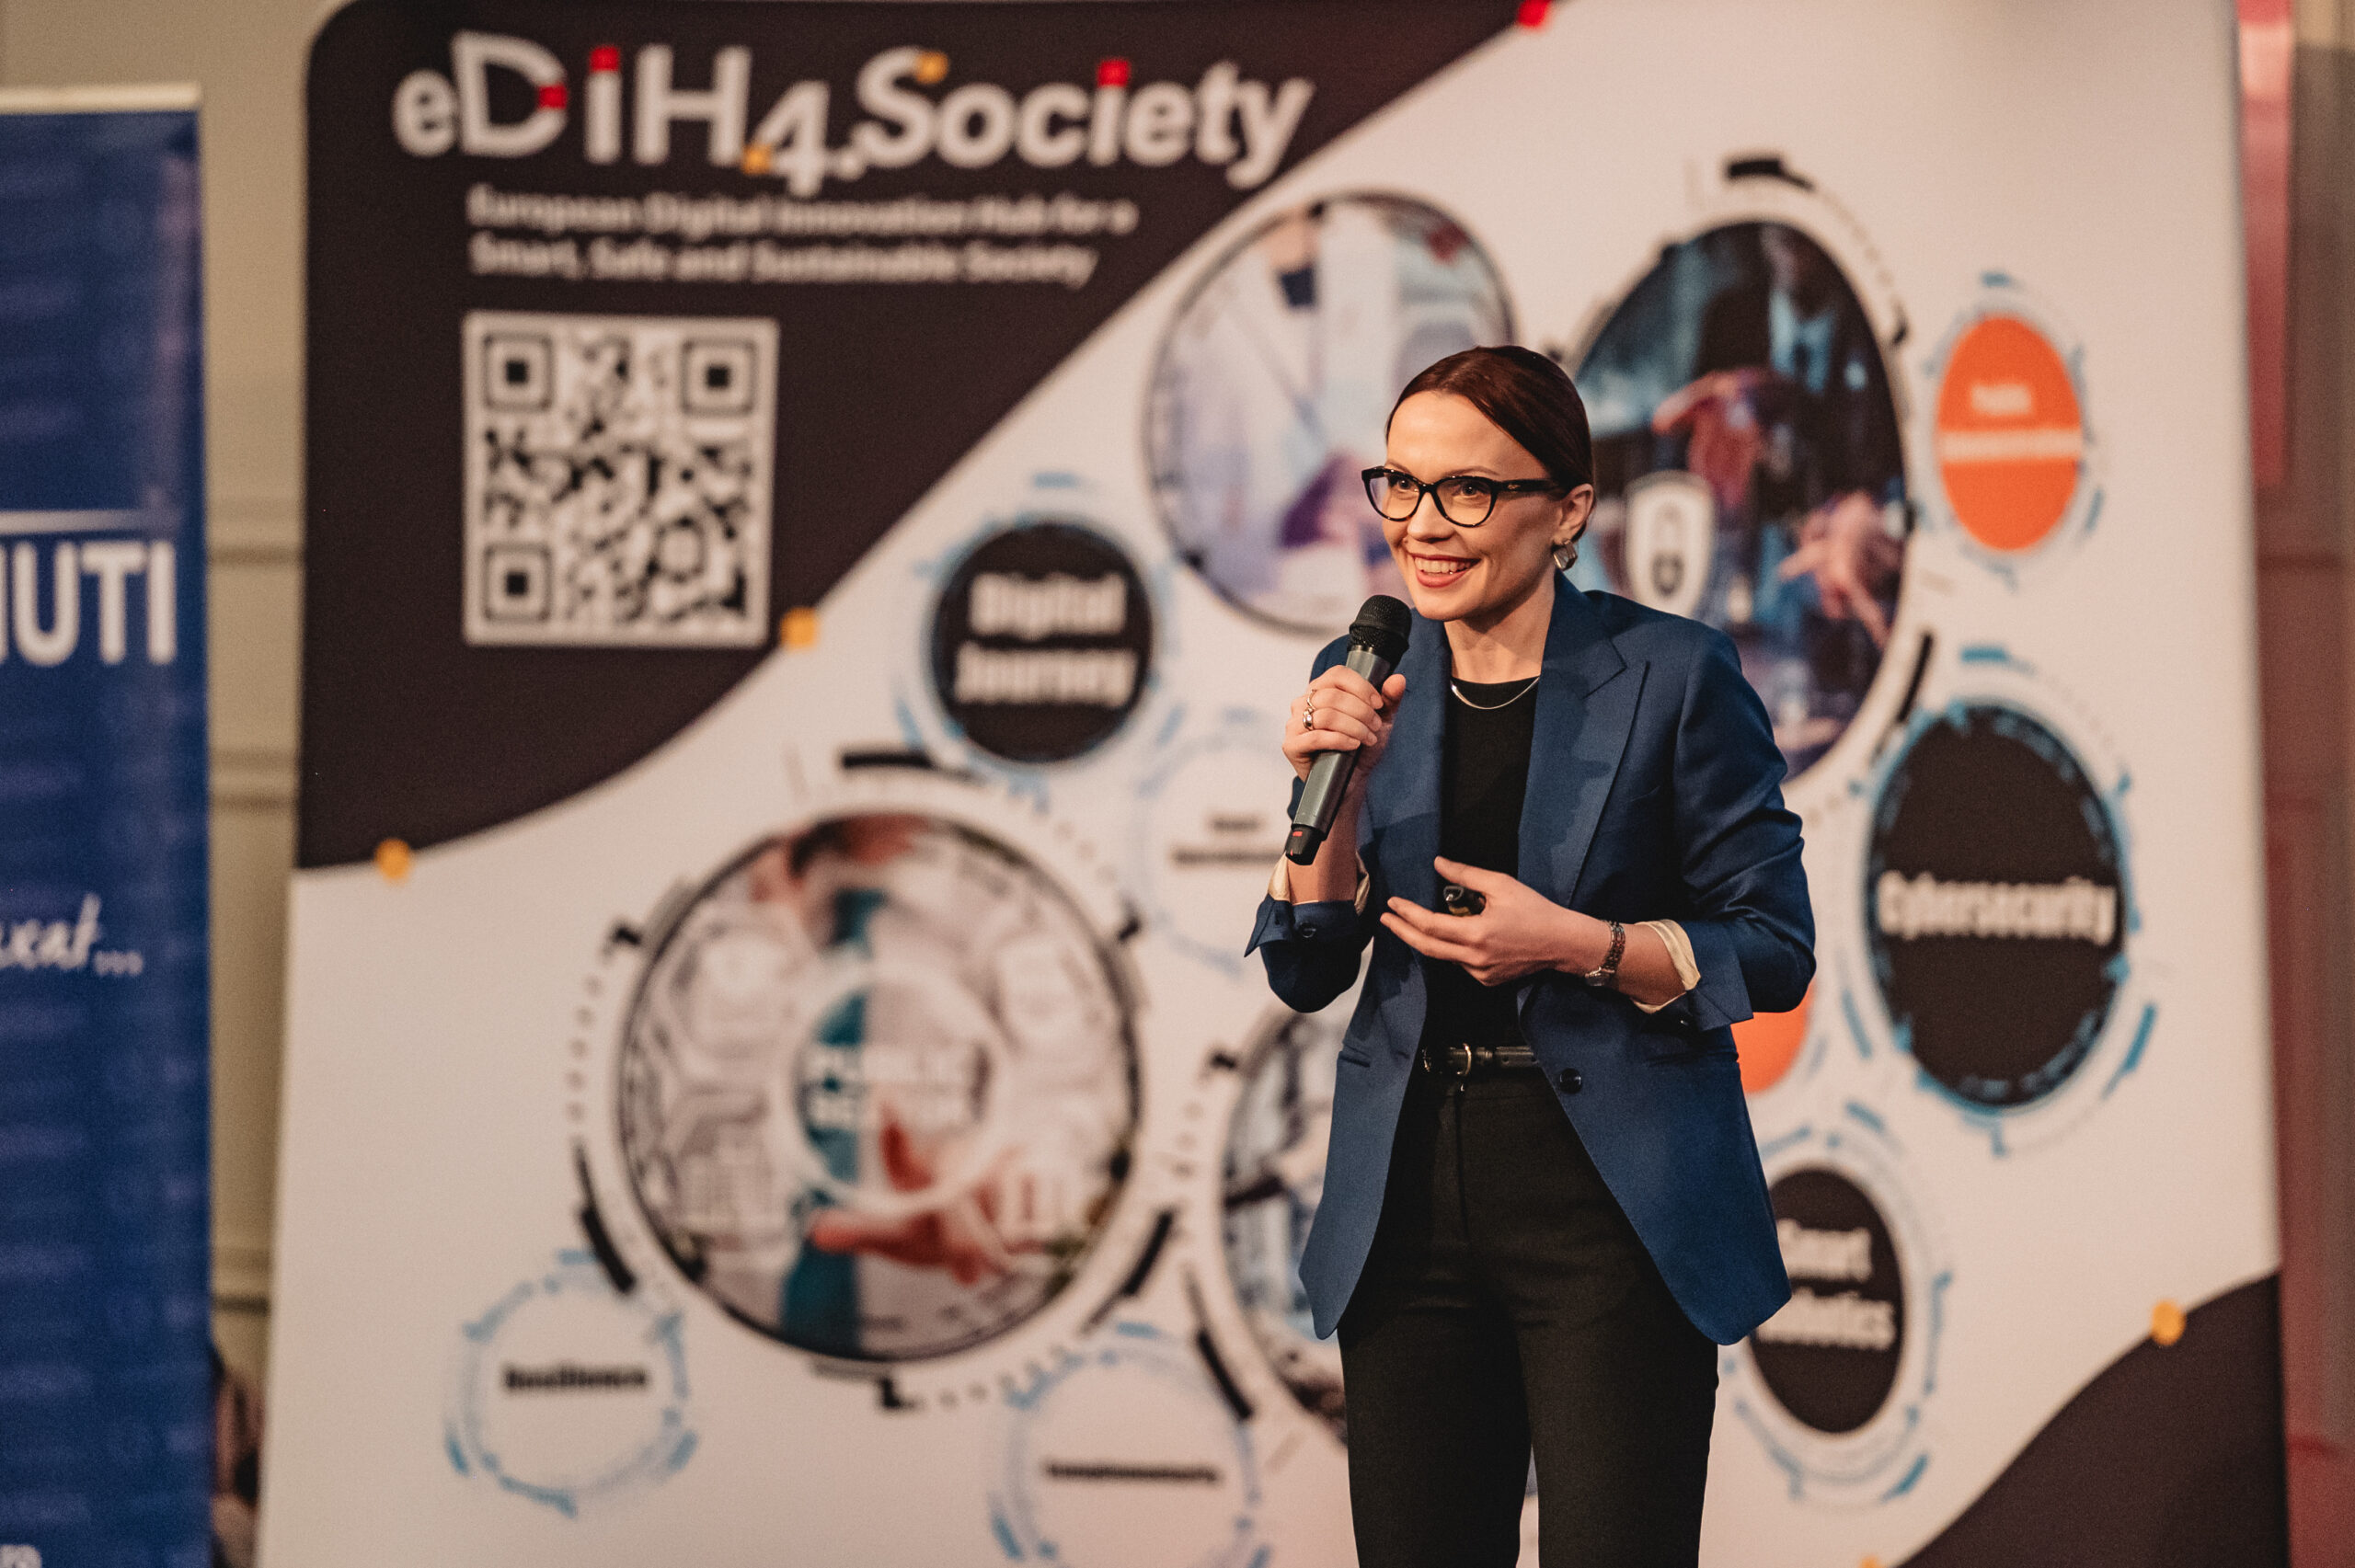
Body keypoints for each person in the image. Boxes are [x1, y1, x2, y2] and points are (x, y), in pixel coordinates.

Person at [1246, 346, 1813, 1566]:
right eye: (1401, 484)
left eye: (1467, 490)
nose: (1422, 524)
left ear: (1566, 510)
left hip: (1608, 1200)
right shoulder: (1366, 678)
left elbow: (1773, 948)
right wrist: (1332, 801)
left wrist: (1580, 946)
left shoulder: (1673, 675)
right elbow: (1305, 967)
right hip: (1407, 1198)